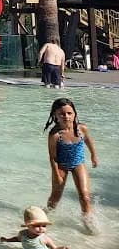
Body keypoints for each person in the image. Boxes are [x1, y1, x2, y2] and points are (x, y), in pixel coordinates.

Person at [43, 98, 98, 232]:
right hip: (60, 165)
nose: (66, 116)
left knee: (85, 196)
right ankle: (44, 216)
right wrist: (56, 175)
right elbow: (53, 157)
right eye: (61, 114)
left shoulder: (82, 129)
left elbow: (88, 141)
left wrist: (93, 155)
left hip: (78, 163)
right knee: (56, 196)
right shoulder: (55, 134)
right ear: (55, 115)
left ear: (74, 113)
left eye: (69, 113)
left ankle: (88, 223)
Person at [0, 206, 69, 249]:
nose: (41, 228)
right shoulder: (23, 234)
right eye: (37, 225)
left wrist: (62, 248)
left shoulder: (44, 238)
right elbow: (18, 239)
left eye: (44, 226)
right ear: (28, 225)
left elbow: (55, 248)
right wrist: (7, 240)